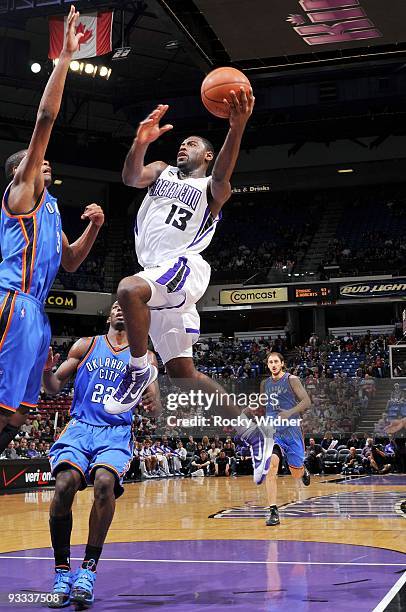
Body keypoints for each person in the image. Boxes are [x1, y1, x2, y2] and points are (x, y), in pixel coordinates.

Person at [103, 88, 273, 484]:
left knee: (128, 290)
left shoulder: (213, 187)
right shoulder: (161, 170)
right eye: (182, 142)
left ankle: (139, 368)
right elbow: (130, 176)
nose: (184, 146)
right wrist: (140, 143)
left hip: (181, 265)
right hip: (157, 271)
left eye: (192, 143)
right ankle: (252, 430)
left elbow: (226, 172)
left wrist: (237, 127)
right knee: (183, 374)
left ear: (208, 155)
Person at [0, 6, 104, 454]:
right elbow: (45, 119)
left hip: (37, 313)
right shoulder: (21, 194)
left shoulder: (54, 208)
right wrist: (64, 59)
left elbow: (71, 261)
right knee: (4, 409)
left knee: (20, 414)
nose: (43, 160)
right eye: (33, 159)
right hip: (14, 300)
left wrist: (95, 229)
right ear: (20, 171)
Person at [44, 301, 158, 607]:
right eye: (117, 306)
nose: (122, 310)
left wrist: (150, 402)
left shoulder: (145, 357)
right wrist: (45, 372)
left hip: (116, 432)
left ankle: (88, 571)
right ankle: (62, 571)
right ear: (109, 314)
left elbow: (156, 406)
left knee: (105, 484)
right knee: (65, 483)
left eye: (128, 306)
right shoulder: (86, 345)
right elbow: (54, 386)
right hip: (81, 427)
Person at [262, 352, 311, 527]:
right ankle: (273, 511)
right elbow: (264, 406)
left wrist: (289, 413)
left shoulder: (292, 379)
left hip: (292, 431)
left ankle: (303, 470)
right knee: (271, 466)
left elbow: (306, 401)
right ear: (267, 365)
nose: (273, 364)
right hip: (273, 432)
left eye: (276, 361)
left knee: (295, 473)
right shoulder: (265, 384)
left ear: (282, 363)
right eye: (270, 362)